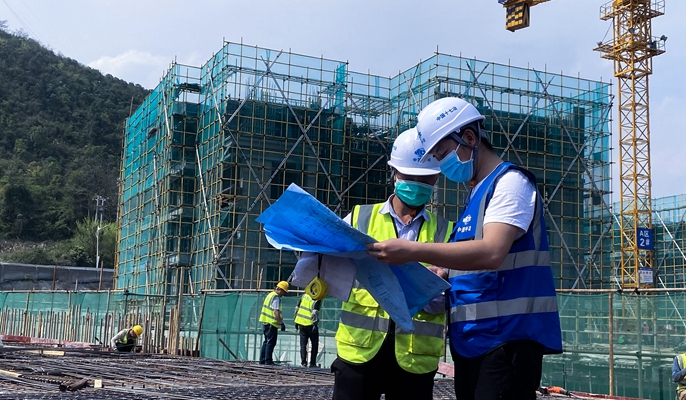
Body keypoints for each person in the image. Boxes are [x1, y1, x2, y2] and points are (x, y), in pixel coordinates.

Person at [366, 97, 563, 400]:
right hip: (476, 341)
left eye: (442, 154)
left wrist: (412, 250)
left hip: (506, 341)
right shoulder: (476, 194)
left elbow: (492, 252)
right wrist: (445, 272)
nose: (442, 165)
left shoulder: (509, 184)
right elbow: (476, 264)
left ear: (469, 138)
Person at [330, 128, 454, 400]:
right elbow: (331, 268)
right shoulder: (360, 218)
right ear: (394, 173)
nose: (418, 184)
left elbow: (454, 295)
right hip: (360, 353)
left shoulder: (447, 232)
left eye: (426, 178)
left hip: (414, 357)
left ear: (436, 178)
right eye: (411, 177)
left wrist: (436, 288)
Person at [259, 280, 288, 365]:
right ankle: (268, 360)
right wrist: (281, 322)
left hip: (266, 322)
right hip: (271, 323)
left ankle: (262, 360)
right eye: (284, 292)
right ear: (280, 289)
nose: (284, 294)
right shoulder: (276, 297)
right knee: (271, 342)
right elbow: (276, 311)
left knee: (266, 342)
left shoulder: (270, 295)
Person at [294, 292, 322, 367]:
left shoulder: (304, 296)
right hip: (310, 324)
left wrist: (295, 321)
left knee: (303, 345)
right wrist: (315, 324)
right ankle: (312, 363)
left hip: (301, 323)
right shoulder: (318, 298)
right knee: (314, 345)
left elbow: (297, 308)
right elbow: (314, 312)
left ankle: (303, 362)